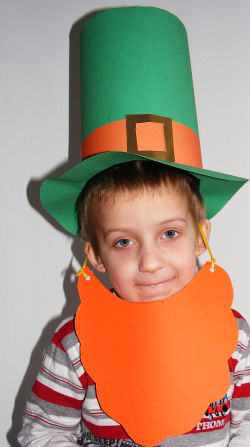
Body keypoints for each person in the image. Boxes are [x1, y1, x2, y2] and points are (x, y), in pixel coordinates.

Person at [18, 6, 250, 447]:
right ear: (96, 256)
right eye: (123, 241)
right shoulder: (74, 345)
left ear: (201, 234)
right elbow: (42, 431)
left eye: (169, 233)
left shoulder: (233, 336)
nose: (150, 261)